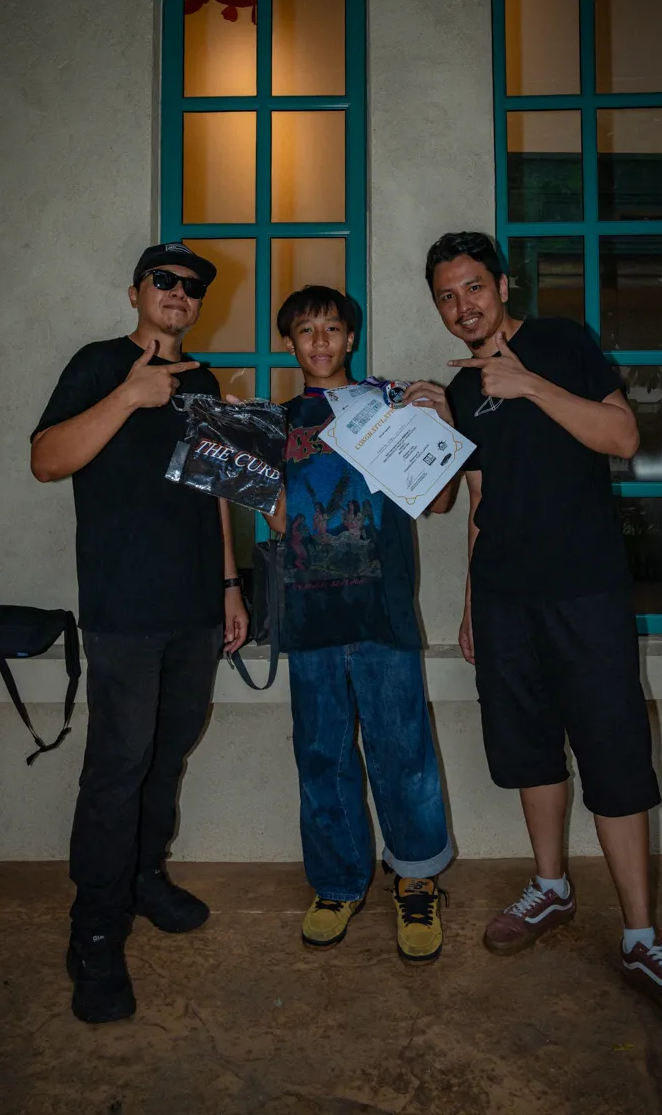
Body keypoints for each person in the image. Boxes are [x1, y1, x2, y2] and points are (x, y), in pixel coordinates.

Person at [404, 230, 662, 1018]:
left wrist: (529, 384)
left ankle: (642, 936)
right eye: (447, 296)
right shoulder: (463, 388)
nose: (462, 306)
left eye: (474, 287)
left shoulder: (562, 343)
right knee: (529, 747)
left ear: (504, 286)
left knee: (613, 749)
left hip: (585, 592)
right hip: (504, 598)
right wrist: (437, 425)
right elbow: (470, 504)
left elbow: (622, 436)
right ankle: (551, 886)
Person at [31, 242, 248, 1024]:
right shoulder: (98, 365)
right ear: (136, 293)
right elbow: (46, 461)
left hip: (194, 608)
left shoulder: (204, 383)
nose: (179, 293)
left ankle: (145, 877)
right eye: (165, 281)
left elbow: (217, 487)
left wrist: (229, 585)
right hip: (123, 611)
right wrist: (128, 395)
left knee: (166, 753)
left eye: (192, 287)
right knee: (117, 768)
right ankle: (94, 927)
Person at [258, 285, 453, 963]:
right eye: (305, 330)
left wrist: (438, 418)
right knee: (321, 755)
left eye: (332, 328)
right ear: (289, 342)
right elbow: (277, 521)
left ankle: (417, 880)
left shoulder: (386, 407)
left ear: (351, 338)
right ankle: (338, 884)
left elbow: (440, 499)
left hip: (383, 610)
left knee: (404, 752)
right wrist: (232, 463)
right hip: (308, 614)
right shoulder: (274, 424)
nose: (320, 341)